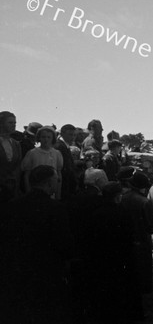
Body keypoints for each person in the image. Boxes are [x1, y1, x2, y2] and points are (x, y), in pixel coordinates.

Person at [0, 165, 73, 323]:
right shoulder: (56, 208)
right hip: (47, 272)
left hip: (19, 270)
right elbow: (64, 243)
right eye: (55, 179)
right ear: (48, 182)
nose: (58, 181)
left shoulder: (13, 204)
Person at [87, 182, 133, 322]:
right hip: (119, 258)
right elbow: (128, 236)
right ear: (118, 196)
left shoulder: (96, 213)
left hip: (100, 258)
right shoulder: (123, 212)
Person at [120, 169, 153, 320]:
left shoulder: (121, 198)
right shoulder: (144, 202)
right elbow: (150, 226)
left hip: (125, 243)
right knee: (144, 279)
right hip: (141, 244)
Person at [20, 125, 63, 198]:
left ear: (52, 139)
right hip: (35, 189)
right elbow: (27, 174)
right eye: (43, 137)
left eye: (48, 137)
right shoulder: (32, 153)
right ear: (39, 138)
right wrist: (28, 191)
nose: (46, 139)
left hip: (51, 189)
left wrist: (58, 193)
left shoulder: (57, 154)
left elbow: (59, 174)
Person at [0, 111, 22, 202]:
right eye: (10, 122)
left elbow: (18, 166)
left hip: (12, 189)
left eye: (15, 123)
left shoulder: (16, 144)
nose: (13, 125)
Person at [55, 124, 78, 201]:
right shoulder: (59, 147)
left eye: (74, 135)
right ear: (62, 134)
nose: (73, 137)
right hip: (63, 185)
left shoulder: (65, 146)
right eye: (70, 135)